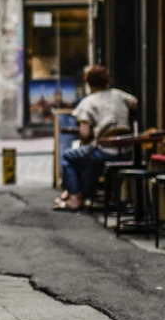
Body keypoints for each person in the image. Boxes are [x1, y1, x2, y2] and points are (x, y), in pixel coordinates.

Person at [55, 65, 137, 211]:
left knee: (68, 157)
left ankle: (74, 197)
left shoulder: (88, 103)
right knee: (91, 160)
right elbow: (135, 102)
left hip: (105, 151)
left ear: (89, 83)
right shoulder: (120, 95)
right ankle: (89, 195)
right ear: (108, 80)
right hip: (126, 149)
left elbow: (85, 134)